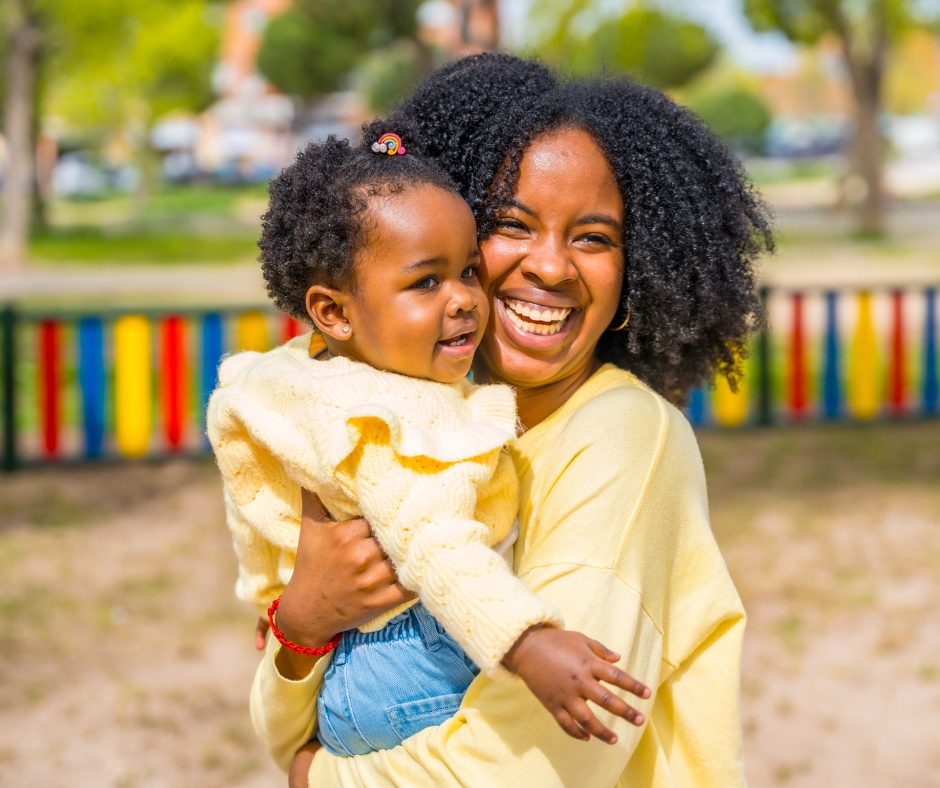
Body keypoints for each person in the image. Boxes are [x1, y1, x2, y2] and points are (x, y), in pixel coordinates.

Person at [252, 55, 773, 788]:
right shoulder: (416, 428)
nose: (553, 267)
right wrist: (300, 628)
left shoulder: (622, 436)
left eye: (593, 237)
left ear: (637, 266)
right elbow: (291, 727)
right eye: (510, 225)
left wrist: (317, 780)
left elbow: (525, 766)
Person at [208, 115, 651, 760]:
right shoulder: (395, 420)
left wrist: (272, 600)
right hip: (409, 663)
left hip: (343, 671)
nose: (464, 298)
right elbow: (436, 545)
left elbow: (251, 505)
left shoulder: (288, 377)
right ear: (333, 310)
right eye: (426, 282)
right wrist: (526, 644)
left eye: (469, 270)